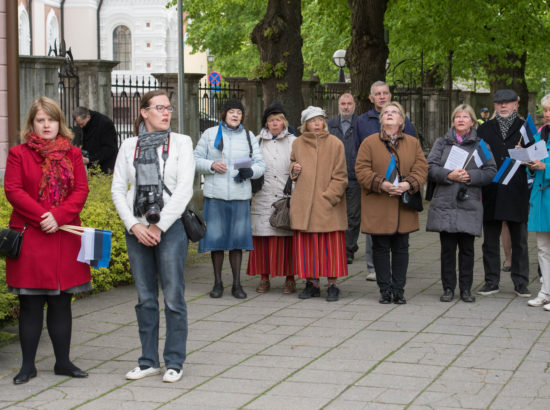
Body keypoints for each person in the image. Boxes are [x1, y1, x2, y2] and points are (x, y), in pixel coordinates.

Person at [4, 97, 91, 384]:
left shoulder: (74, 155)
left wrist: (59, 216)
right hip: (31, 236)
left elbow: (80, 190)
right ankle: (27, 366)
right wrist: (44, 216)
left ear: (59, 123)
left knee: (62, 303)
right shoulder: (18, 153)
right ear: (32, 123)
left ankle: (63, 362)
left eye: (51, 120)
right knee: (30, 303)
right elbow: (14, 191)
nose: (46, 125)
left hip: (64, 236)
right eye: (40, 120)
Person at [111, 90, 195, 383]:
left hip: (169, 230)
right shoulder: (129, 146)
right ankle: (148, 361)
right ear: (144, 112)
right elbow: (118, 189)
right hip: (136, 231)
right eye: (159, 108)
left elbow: (185, 189)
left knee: (173, 297)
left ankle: (174, 361)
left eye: (169, 108)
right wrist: (134, 226)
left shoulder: (182, 143)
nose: (166, 113)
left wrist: (158, 227)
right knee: (145, 298)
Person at [355, 101, 428, 304]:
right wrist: (383, 184)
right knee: (380, 248)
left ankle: (399, 290)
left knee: (401, 248)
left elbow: (421, 169)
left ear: (401, 120)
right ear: (381, 119)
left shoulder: (413, 143)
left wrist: (407, 185)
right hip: (379, 202)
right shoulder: (369, 142)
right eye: (386, 112)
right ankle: (384, 290)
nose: (389, 114)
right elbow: (361, 170)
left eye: (394, 112)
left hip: (403, 205)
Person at [194, 98, 265, 299]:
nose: (235, 115)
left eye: (239, 112)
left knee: (237, 242)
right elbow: (194, 159)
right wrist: (211, 165)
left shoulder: (249, 136)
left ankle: (237, 284)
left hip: (240, 196)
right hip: (215, 196)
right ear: (224, 114)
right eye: (232, 111)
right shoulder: (210, 134)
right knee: (215, 241)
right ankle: (217, 283)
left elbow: (261, 164)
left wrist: (249, 172)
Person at [426, 104, 496, 303]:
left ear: (473, 122)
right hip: (445, 202)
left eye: (465, 117)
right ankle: (448, 288)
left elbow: (491, 171)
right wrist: (448, 174)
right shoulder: (442, 143)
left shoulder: (481, 146)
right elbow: (430, 168)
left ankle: (466, 289)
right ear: (453, 120)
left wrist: (470, 176)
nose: (461, 120)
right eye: (457, 116)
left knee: (467, 249)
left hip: (469, 202)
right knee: (447, 249)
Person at [354, 81, 417, 282]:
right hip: (377, 192)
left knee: (400, 244)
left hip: (401, 195)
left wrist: (408, 183)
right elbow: (359, 161)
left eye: (385, 93)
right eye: (378, 94)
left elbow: (418, 163)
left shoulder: (411, 137)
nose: (382, 97)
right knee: (377, 240)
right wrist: (379, 183)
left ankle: (398, 285)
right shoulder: (363, 124)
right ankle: (377, 273)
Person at [290, 106, 348, 302]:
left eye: (320, 120)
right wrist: (293, 170)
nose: (317, 124)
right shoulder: (297, 143)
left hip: (329, 205)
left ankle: (332, 285)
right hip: (305, 204)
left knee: (330, 248)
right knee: (308, 247)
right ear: (305, 124)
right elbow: (292, 167)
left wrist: (329, 197)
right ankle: (312, 283)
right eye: (312, 121)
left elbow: (341, 176)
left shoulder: (336, 144)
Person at [478, 89, 531, 297]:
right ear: (494, 105)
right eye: (499, 103)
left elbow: (537, 158)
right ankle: (491, 281)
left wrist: (525, 155)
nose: (503, 106)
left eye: (507, 103)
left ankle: (521, 282)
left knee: (519, 239)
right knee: (489, 240)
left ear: (516, 104)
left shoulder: (525, 129)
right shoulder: (484, 129)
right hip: (491, 189)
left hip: (516, 190)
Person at [247, 101, 297, 294]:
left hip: (285, 195)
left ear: (284, 122)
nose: (275, 123)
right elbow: (246, 163)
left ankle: (290, 279)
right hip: (263, 195)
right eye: (271, 120)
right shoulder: (256, 141)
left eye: (278, 120)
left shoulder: (294, 141)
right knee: (263, 240)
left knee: (287, 240)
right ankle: (264, 277)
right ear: (266, 123)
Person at [328, 93, 360, 265]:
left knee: (353, 216)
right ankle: (337, 246)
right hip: (335, 177)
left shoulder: (359, 124)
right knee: (335, 213)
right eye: (343, 103)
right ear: (338, 105)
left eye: (349, 103)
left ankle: (349, 249)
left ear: (354, 105)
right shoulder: (330, 125)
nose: (346, 106)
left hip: (355, 178)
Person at [527, 94, 550, 309]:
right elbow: (535, 160)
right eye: (545, 110)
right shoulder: (541, 133)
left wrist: (547, 168)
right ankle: (545, 291)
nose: (547, 114)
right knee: (542, 248)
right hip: (541, 196)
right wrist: (529, 162)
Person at [73, 107, 118, 173]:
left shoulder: (105, 123)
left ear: (88, 117)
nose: (81, 127)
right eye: (79, 125)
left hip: (106, 166)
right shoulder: (87, 124)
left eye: (82, 124)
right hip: (92, 167)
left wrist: (90, 160)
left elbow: (110, 149)